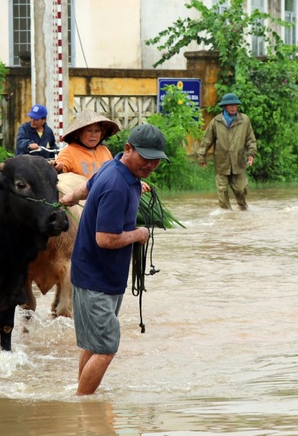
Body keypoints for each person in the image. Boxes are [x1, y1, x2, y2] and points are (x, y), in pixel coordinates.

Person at [59, 123, 168, 396]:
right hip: (99, 279)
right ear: (129, 149)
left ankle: (81, 397)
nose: (151, 165)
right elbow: (105, 239)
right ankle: (83, 404)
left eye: (156, 160)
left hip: (91, 274)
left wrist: (71, 197)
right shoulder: (118, 186)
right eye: (145, 158)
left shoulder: (113, 165)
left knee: (93, 345)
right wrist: (139, 233)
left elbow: (87, 186)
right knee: (106, 350)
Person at [197, 93, 257, 210]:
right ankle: (226, 215)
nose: (233, 108)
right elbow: (207, 140)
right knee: (222, 191)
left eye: (235, 105)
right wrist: (201, 156)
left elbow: (250, 139)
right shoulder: (216, 121)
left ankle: (242, 208)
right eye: (230, 106)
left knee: (241, 189)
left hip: (238, 161)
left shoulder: (244, 120)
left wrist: (251, 154)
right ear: (224, 107)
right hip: (222, 161)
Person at [53, 109, 120, 178]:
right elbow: (60, 169)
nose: (93, 135)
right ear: (78, 133)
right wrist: (56, 169)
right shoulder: (68, 152)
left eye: (97, 131)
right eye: (89, 130)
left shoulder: (104, 151)